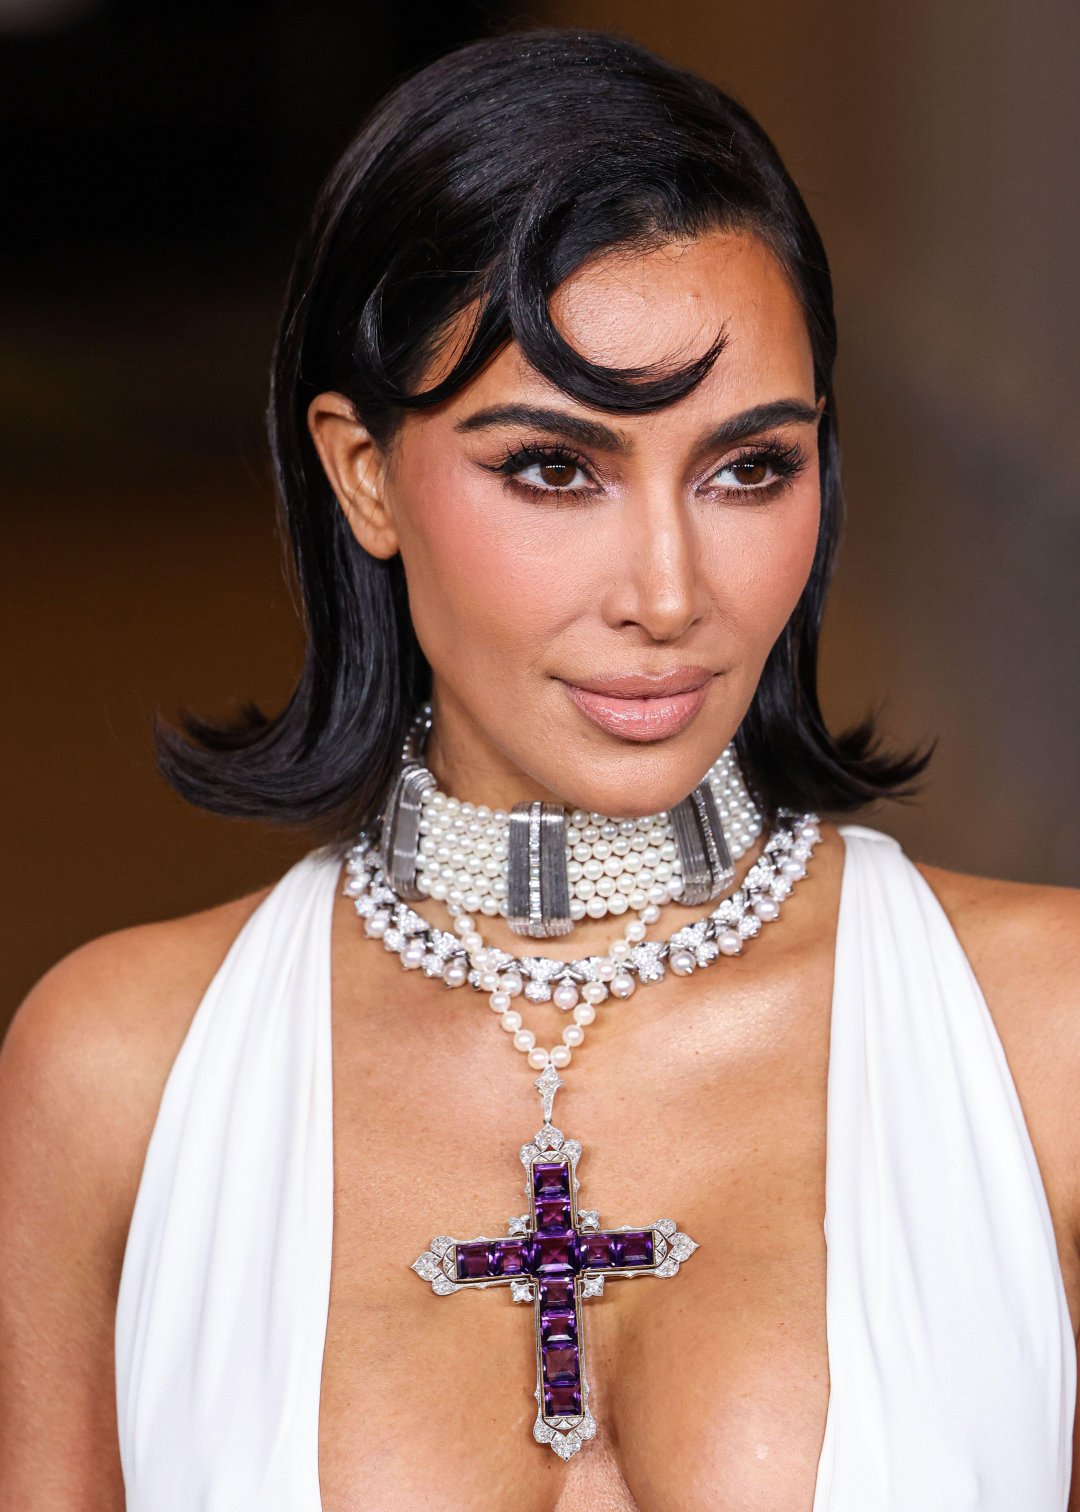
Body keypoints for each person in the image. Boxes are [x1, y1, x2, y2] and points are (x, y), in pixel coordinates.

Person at [1, 26, 1078, 1512]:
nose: (667, 589)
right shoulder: (113, 1080)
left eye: (748, 467)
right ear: (363, 473)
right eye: (555, 469)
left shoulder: (1049, 1045)